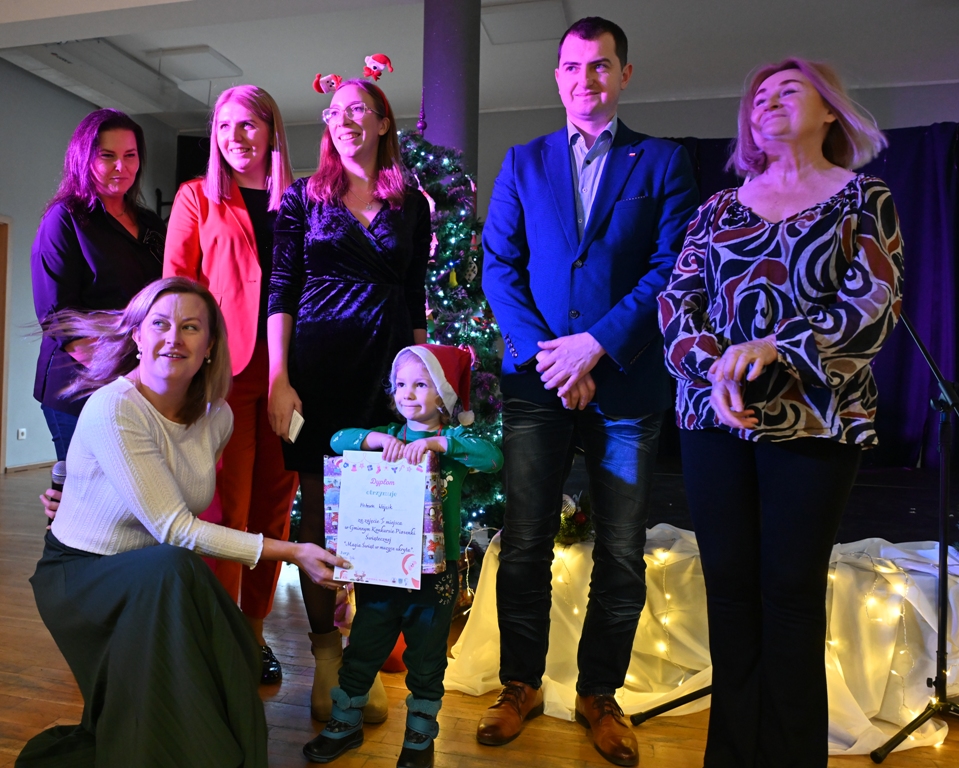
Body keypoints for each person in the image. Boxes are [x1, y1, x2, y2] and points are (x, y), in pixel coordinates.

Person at [657, 58, 902, 767]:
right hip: (715, 420)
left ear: (829, 111)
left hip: (816, 420)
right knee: (730, 595)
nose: (766, 101)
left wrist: (778, 348)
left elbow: (875, 303)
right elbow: (676, 303)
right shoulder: (716, 209)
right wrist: (714, 369)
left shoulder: (863, 198)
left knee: (790, 594)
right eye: (758, 96)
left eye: (787, 90)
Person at [479, 16, 699, 768]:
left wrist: (594, 346)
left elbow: (670, 266)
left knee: (622, 551)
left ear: (623, 74)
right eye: (572, 67)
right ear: (557, 76)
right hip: (536, 380)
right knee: (524, 544)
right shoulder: (522, 160)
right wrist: (551, 357)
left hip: (626, 383)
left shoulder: (662, 161)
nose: (585, 79)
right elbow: (499, 266)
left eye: (600, 66)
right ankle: (520, 684)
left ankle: (599, 693)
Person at [18, 277, 348, 768]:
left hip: (148, 576)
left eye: (191, 327)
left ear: (210, 346)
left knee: (232, 642)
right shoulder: (115, 407)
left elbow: (174, 507)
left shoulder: (218, 418)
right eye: (160, 324)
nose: (174, 337)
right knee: (178, 565)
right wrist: (294, 551)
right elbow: (175, 529)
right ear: (137, 335)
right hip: (83, 576)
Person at [268, 77, 431, 723]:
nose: (345, 120)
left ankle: (364, 657)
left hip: (386, 375)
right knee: (316, 516)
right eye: (335, 112)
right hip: (318, 371)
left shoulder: (410, 201)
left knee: (377, 517)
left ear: (383, 122)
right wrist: (279, 378)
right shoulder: (302, 197)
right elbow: (281, 289)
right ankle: (326, 657)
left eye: (359, 110)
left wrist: (425, 383)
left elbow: (415, 296)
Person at [303, 345, 502, 767]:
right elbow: (338, 440)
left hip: (436, 574)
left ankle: (419, 738)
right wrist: (378, 440)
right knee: (363, 646)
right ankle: (345, 723)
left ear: (443, 395)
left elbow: (492, 458)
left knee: (427, 658)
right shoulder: (387, 436)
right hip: (383, 568)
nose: (407, 393)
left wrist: (437, 443)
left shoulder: (455, 443)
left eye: (421, 384)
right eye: (400, 384)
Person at [164, 85, 299, 684]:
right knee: (227, 509)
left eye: (248, 125)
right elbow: (178, 288)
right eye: (224, 126)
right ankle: (218, 635)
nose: (236, 137)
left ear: (271, 131)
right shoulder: (197, 198)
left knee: (275, 507)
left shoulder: (300, 199)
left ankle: (254, 632)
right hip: (227, 374)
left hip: (290, 374)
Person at [32, 108, 165, 460]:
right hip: (78, 384)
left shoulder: (150, 224)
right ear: (84, 158)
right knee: (83, 487)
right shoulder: (65, 218)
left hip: (135, 383)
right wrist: (117, 379)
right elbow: (58, 316)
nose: (121, 166)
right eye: (107, 156)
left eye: (130, 155)